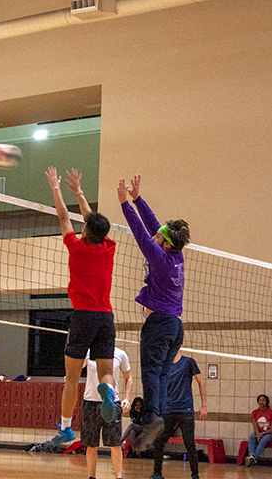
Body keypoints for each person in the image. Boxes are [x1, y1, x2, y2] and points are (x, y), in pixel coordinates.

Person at [45, 167, 117, 446]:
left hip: (83, 317)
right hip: (106, 317)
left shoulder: (77, 247)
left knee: (71, 379)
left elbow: (64, 217)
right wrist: (79, 192)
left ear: (85, 230)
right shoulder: (108, 248)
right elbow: (94, 222)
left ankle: (65, 428)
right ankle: (108, 391)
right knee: (105, 371)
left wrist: (56, 188)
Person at [117, 174, 190, 450]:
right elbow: (153, 227)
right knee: (160, 374)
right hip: (175, 326)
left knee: (150, 371)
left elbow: (140, 232)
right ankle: (155, 418)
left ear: (167, 244)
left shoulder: (159, 257)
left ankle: (150, 416)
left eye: (159, 236)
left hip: (159, 323)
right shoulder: (176, 255)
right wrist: (138, 199)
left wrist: (125, 205)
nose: (155, 235)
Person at [151, 349, 208, 479]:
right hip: (168, 409)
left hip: (185, 409)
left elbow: (201, 382)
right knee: (159, 442)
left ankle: (195, 476)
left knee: (189, 444)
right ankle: (157, 474)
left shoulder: (189, 362)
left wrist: (204, 405)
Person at [81, 347, 132, 479]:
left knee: (115, 444)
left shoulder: (120, 354)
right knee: (91, 444)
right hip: (90, 402)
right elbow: (76, 367)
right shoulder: (88, 352)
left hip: (113, 403)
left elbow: (129, 377)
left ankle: (119, 477)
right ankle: (91, 477)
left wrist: (127, 398)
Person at [245, 394, 272, 466]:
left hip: (269, 434)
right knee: (251, 437)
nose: (261, 402)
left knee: (264, 439)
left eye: (263, 400)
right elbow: (255, 427)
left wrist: (263, 433)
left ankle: (253, 458)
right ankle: (251, 455)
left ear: (267, 402)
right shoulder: (254, 413)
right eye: (260, 400)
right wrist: (258, 433)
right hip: (258, 432)